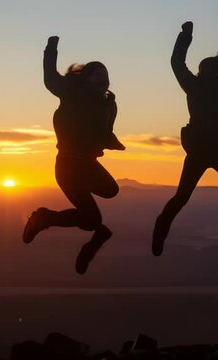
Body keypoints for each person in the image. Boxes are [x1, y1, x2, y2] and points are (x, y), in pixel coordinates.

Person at [22, 36, 125, 274]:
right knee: (96, 214)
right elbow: (50, 78)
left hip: (88, 164)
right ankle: (46, 219)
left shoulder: (110, 104)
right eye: (96, 74)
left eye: (104, 75)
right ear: (85, 79)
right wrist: (51, 49)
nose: (101, 78)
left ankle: (47, 219)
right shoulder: (71, 93)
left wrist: (111, 142)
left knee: (103, 203)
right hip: (68, 165)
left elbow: (105, 130)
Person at [152, 22, 218, 257]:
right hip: (200, 151)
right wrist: (185, 35)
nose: (210, 73)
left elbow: (178, 63)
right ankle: (162, 226)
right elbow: (177, 63)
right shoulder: (198, 85)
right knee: (183, 197)